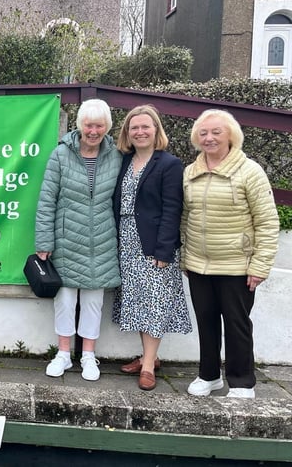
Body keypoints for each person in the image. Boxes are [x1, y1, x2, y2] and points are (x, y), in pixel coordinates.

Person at [181, 109, 279, 399]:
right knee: (206, 321)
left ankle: (241, 381)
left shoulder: (250, 171)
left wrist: (260, 265)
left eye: (216, 132)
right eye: (203, 133)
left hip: (237, 265)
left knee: (237, 324)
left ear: (231, 136)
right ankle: (208, 375)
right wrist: (186, 256)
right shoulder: (191, 172)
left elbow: (267, 221)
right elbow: (185, 218)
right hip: (199, 264)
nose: (209, 138)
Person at [35, 98, 122, 381]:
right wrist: (44, 242)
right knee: (65, 298)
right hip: (66, 238)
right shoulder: (60, 155)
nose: (93, 131)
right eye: (89, 125)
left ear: (107, 127)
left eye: (99, 125)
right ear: (80, 126)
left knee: (94, 300)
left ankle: (88, 356)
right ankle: (63, 354)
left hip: (102, 239)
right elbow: (47, 200)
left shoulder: (116, 156)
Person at [111, 105, 191, 391]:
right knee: (138, 301)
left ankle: (147, 367)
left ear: (156, 130)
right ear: (127, 133)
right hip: (127, 241)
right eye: (134, 128)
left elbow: (172, 209)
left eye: (146, 127)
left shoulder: (169, 164)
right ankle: (150, 356)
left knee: (155, 302)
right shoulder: (123, 161)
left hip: (154, 243)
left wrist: (164, 250)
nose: (140, 131)